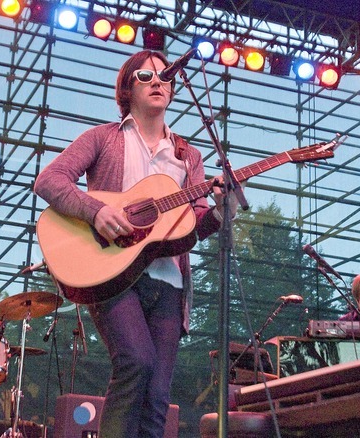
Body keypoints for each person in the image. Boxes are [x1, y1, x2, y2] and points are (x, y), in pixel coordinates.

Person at [34, 49, 240, 437]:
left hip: (169, 283)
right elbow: (49, 180)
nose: (158, 82)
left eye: (164, 77)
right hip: (110, 271)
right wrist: (94, 210)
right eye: (145, 77)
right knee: (136, 362)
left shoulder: (188, 155)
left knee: (158, 394)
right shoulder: (101, 138)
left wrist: (219, 210)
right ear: (127, 89)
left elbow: (193, 227)